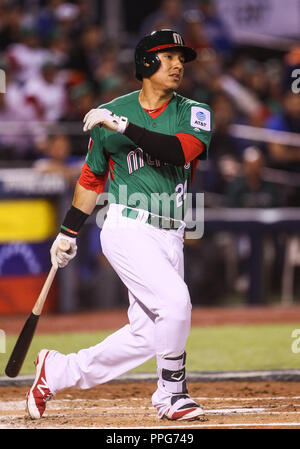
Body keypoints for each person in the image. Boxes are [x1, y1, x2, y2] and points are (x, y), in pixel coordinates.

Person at [25, 29, 213, 422]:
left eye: (182, 58)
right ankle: (172, 395)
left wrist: (123, 126)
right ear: (146, 63)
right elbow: (92, 179)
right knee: (176, 305)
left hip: (173, 231)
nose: (178, 65)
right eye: (168, 57)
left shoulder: (194, 111)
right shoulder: (109, 113)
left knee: (149, 334)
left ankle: (56, 371)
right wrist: (68, 230)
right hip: (128, 226)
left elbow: (180, 150)